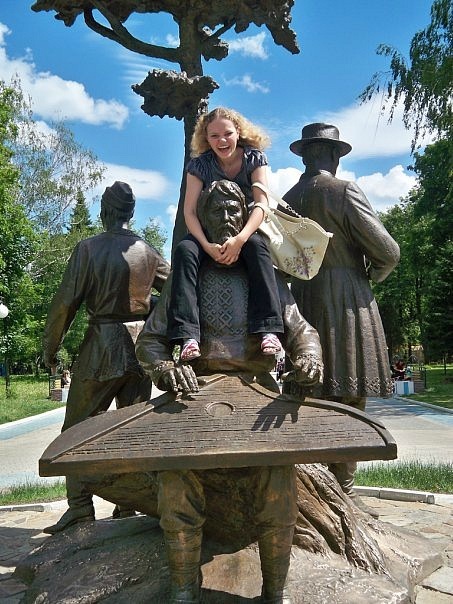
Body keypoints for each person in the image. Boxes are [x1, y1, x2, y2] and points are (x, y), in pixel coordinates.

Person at [136, 180, 324, 604]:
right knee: (176, 478)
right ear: (201, 219)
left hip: (257, 392)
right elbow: (150, 341)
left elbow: (302, 330)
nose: (225, 218)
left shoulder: (264, 272)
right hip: (197, 393)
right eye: (215, 211)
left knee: (278, 479)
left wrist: (310, 358)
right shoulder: (186, 274)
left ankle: (276, 590)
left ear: (245, 219)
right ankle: (183, 588)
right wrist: (164, 369)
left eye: (232, 211)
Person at [282, 123, 400, 517]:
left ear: (304, 155)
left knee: (311, 397)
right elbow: (388, 252)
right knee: (350, 397)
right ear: (334, 155)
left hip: (303, 302)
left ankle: (319, 493)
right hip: (348, 301)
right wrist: (370, 275)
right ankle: (345, 492)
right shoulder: (344, 191)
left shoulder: (287, 199)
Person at [41, 181, 170, 535]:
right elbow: (178, 290)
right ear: (131, 213)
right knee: (131, 428)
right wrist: (152, 313)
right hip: (140, 351)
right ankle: (128, 503)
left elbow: (65, 303)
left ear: (105, 211)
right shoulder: (147, 252)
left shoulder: (89, 248)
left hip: (101, 347)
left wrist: (50, 347)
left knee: (76, 428)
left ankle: (80, 507)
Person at [168, 107, 284, 362]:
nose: (222, 140)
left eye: (227, 134)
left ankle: (269, 329)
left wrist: (240, 240)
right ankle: (187, 335)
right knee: (185, 250)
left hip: (246, 228)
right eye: (214, 136)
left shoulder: (254, 159)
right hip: (207, 231)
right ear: (206, 139)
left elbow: (262, 205)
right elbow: (189, 212)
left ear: (238, 132)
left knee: (258, 248)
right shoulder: (198, 166)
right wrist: (206, 245)